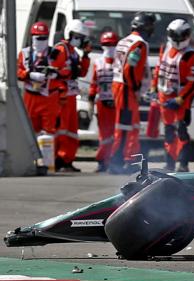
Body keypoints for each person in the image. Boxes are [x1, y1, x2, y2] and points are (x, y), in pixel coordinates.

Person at [109, 12, 155, 175]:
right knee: (125, 126)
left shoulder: (124, 40)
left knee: (128, 124)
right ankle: (119, 160)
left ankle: (126, 158)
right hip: (126, 87)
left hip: (119, 85)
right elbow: (130, 69)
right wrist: (135, 88)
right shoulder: (139, 44)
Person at [152, 19, 194, 172]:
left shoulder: (191, 55)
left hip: (181, 100)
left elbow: (193, 82)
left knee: (182, 131)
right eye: (175, 35)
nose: (179, 39)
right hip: (164, 97)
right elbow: (159, 69)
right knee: (168, 131)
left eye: (182, 35)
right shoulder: (165, 48)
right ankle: (170, 163)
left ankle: (183, 164)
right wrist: (154, 87)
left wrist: (181, 98)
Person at [54, 20, 91, 173]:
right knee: (61, 129)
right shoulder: (61, 49)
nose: (79, 40)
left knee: (70, 130)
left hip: (70, 96)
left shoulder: (74, 52)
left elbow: (81, 72)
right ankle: (58, 159)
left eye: (81, 37)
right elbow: (54, 71)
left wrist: (86, 56)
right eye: (77, 36)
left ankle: (67, 159)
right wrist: (68, 73)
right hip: (61, 96)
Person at [17, 21, 66, 136]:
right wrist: (29, 75)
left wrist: (56, 74)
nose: (42, 41)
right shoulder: (24, 53)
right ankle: (31, 154)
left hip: (49, 97)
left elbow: (66, 71)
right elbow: (17, 72)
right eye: (39, 38)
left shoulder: (56, 53)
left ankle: (47, 154)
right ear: (32, 37)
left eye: (44, 38)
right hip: (31, 96)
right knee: (29, 130)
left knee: (49, 132)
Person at [88, 31, 119, 172]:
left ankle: (115, 160)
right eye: (107, 45)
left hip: (117, 102)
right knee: (104, 135)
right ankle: (102, 161)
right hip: (103, 103)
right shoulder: (98, 62)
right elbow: (94, 82)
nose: (110, 47)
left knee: (117, 133)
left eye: (112, 44)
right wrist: (90, 99)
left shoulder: (121, 61)